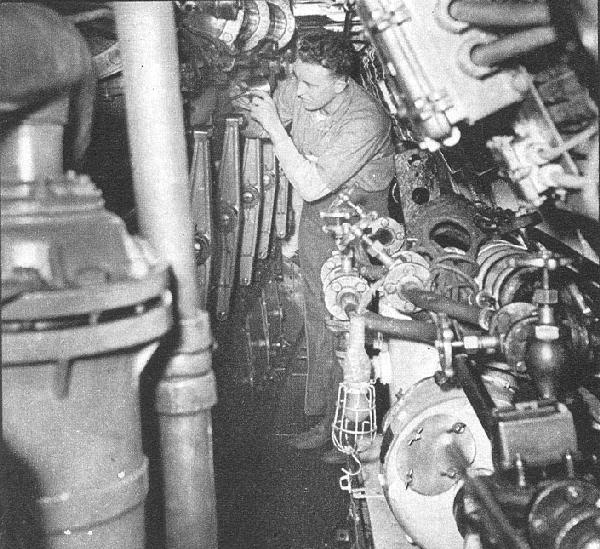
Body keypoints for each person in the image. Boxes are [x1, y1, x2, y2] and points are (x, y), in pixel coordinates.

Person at [246, 30, 395, 461]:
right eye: (297, 79)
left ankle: (355, 428)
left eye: (310, 84)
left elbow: (310, 182)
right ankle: (323, 417)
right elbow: (265, 129)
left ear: (341, 83)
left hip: (361, 218)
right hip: (320, 213)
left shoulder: (365, 119)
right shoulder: (302, 87)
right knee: (316, 312)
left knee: (349, 316)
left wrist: (275, 124)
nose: (299, 90)